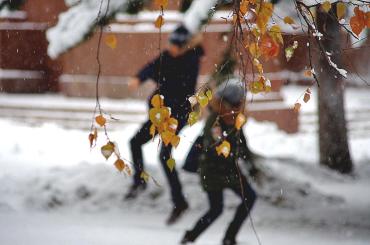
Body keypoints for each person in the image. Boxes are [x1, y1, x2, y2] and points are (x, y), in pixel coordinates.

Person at [125, 25, 205, 225]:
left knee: (163, 156)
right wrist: (139, 77)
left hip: (176, 116)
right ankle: (139, 181)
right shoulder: (170, 57)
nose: (171, 48)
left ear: (185, 46)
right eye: (170, 43)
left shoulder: (190, 61)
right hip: (160, 115)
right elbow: (152, 66)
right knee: (135, 142)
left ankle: (179, 202)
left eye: (176, 45)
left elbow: (173, 80)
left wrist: (154, 77)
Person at [181, 81, 258, 245]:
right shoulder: (215, 122)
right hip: (212, 171)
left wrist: (251, 164)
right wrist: (226, 143)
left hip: (230, 170)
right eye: (235, 105)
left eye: (239, 105)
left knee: (249, 197)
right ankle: (190, 237)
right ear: (225, 104)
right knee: (216, 209)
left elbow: (242, 144)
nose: (238, 108)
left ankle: (229, 237)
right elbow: (213, 147)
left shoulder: (236, 121)